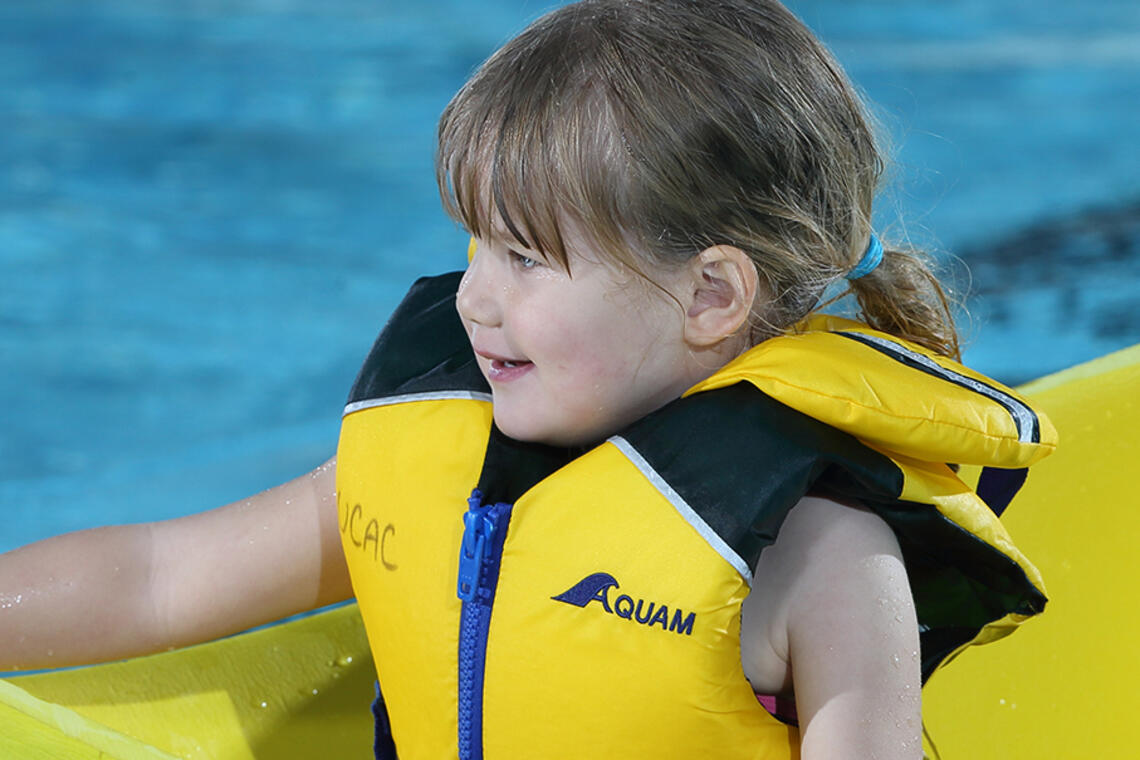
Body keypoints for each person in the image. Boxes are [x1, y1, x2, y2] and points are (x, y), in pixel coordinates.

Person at [1, 1, 1054, 758]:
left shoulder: (818, 555)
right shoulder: (430, 460)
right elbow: (158, 576)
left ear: (710, 297)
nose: (471, 299)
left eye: (526, 258)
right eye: (472, 247)